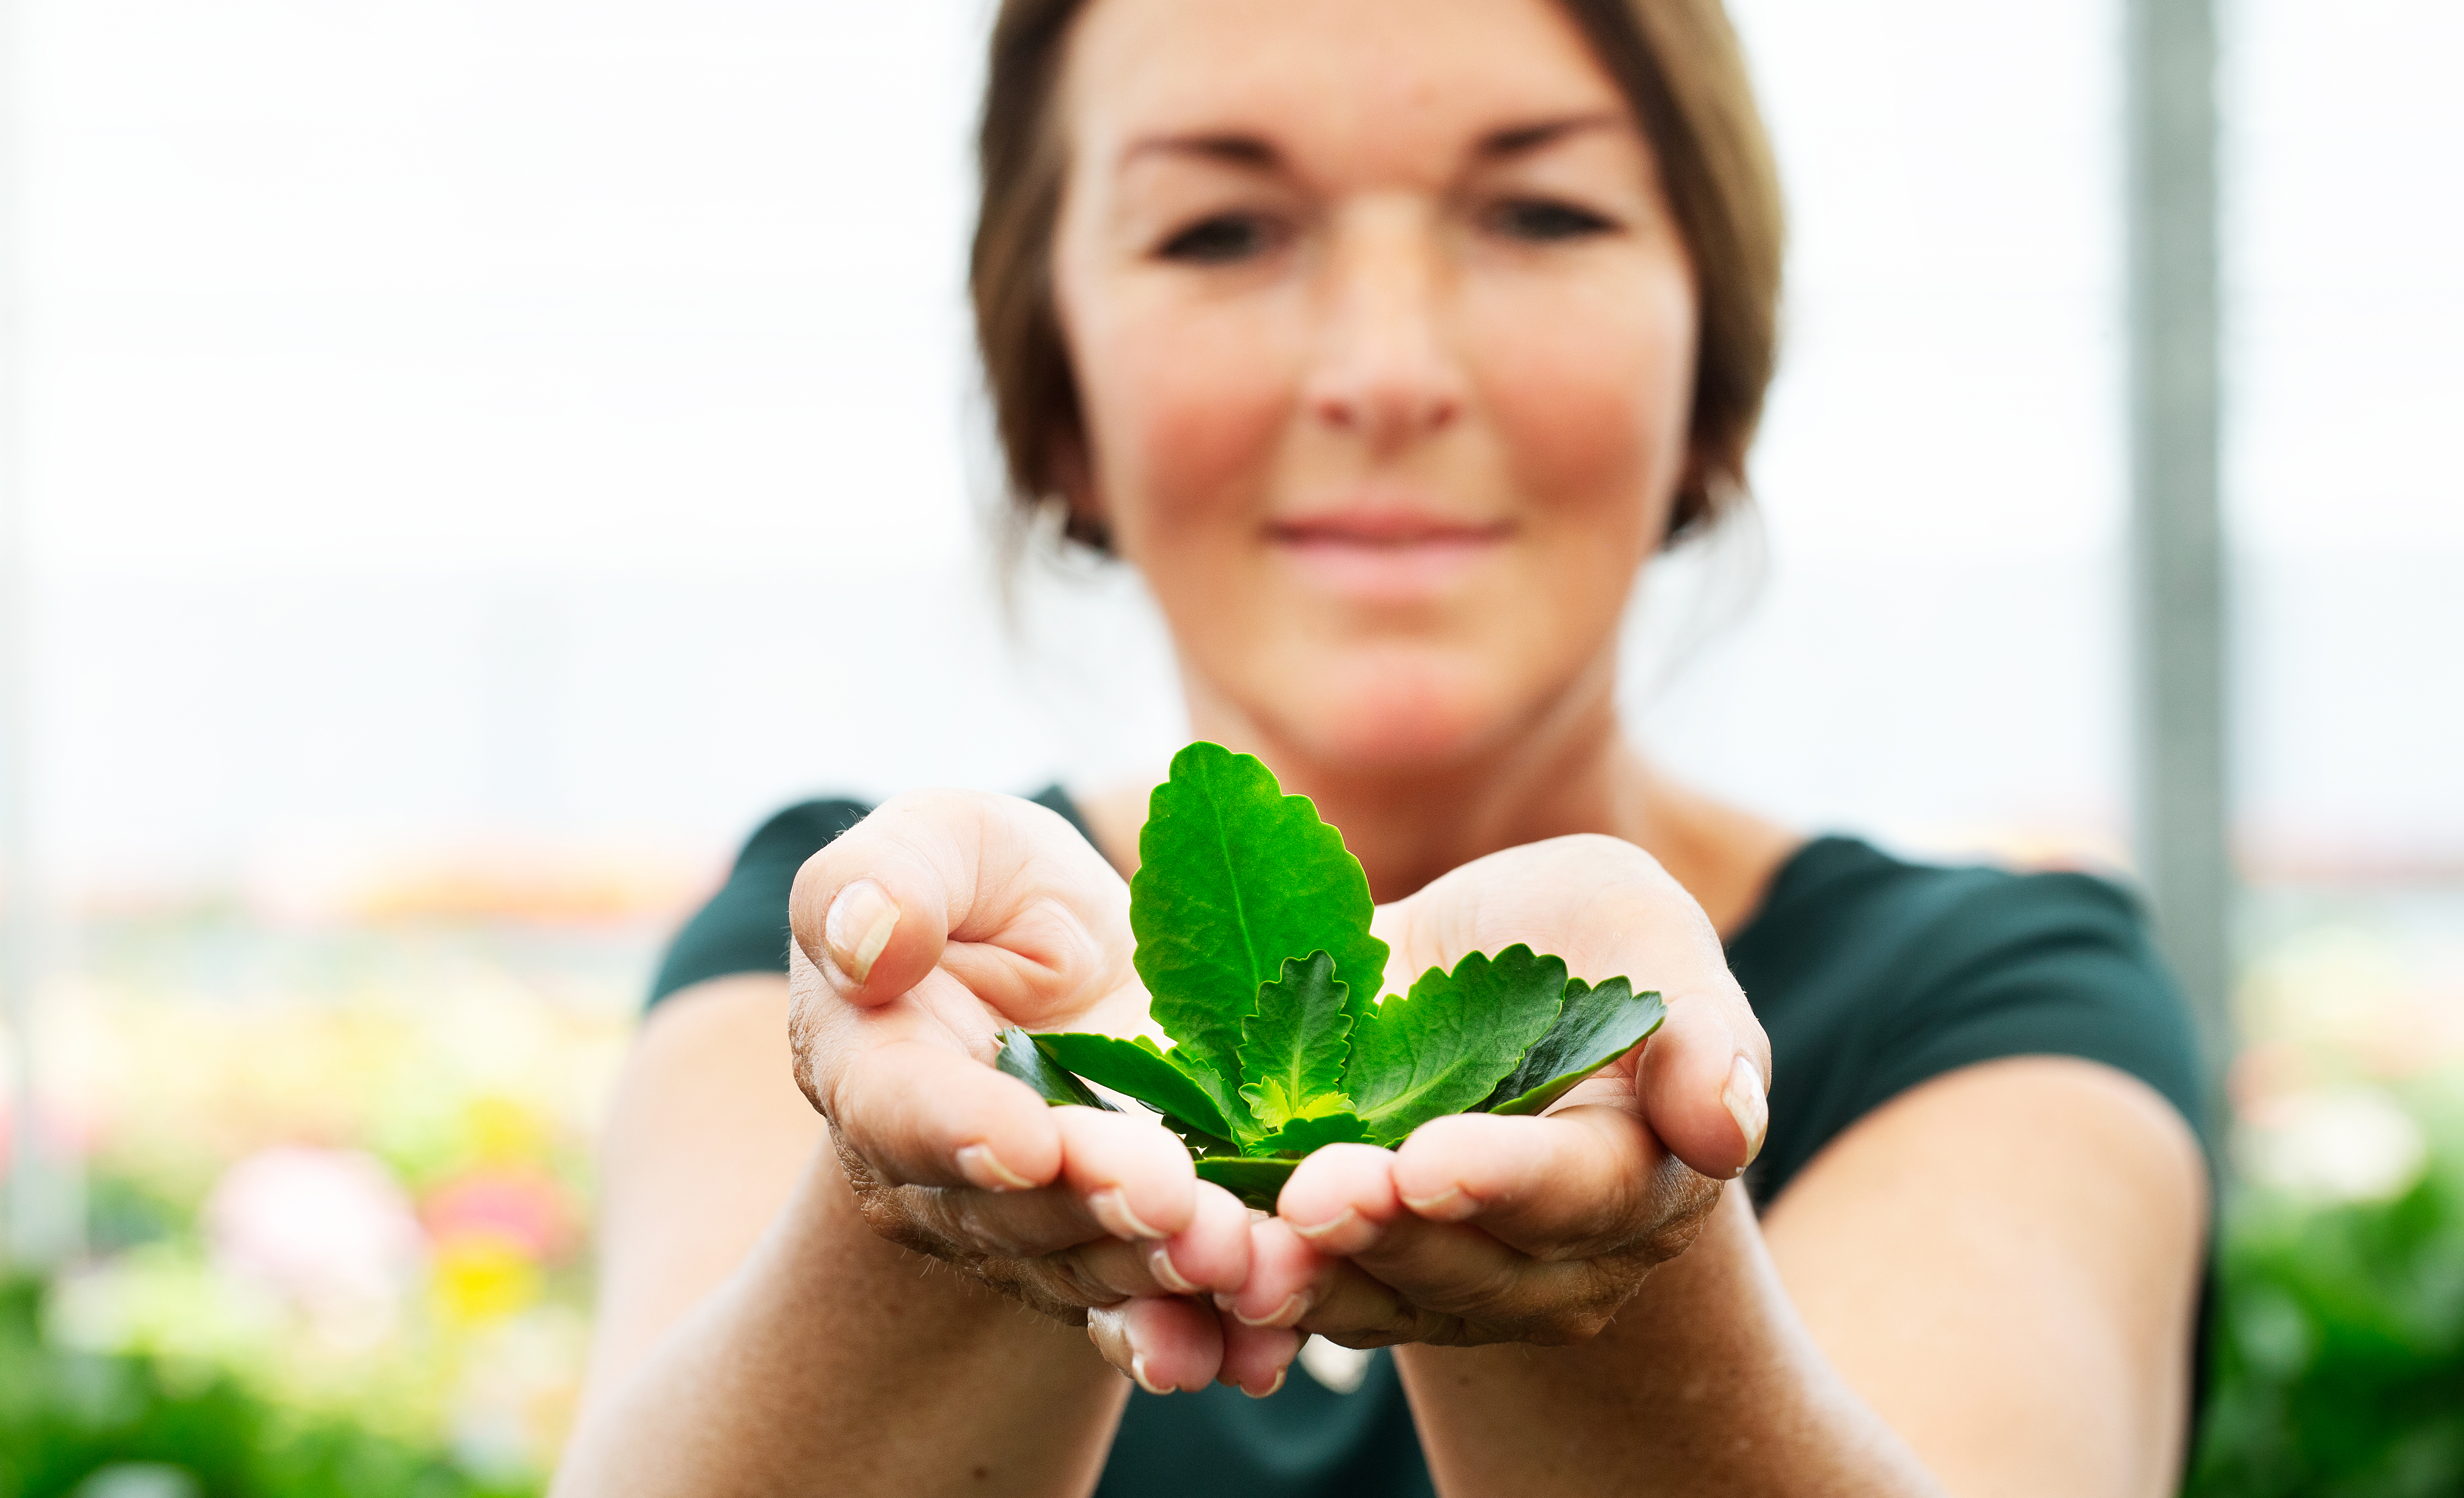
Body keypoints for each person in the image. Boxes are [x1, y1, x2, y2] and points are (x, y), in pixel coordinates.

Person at [552, 0, 2212, 1493]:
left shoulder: (1995, 1005)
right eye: (1220, 231)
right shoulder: (868, 968)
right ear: (1053, 391)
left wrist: (1641, 1264)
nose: (1387, 371)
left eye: (1541, 212)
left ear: (1715, 361)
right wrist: (927, 1190)